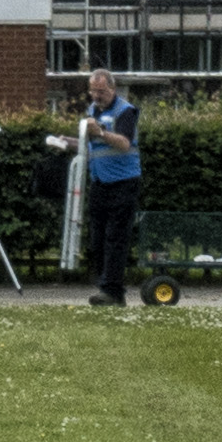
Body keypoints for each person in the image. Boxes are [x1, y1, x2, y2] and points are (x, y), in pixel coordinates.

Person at [79, 70, 144, 308]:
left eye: (102, 91)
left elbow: (125, 143)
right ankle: (108, 289)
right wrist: (67, 143)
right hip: (100, 182)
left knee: (115, 238)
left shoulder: (125, 111)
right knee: (97, 238)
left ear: (112, 89)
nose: (97, 96)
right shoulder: (92, 112)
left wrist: (101, 133)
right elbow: (90, 145)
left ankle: (112, 291)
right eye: (93, 91)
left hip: (123, 182)